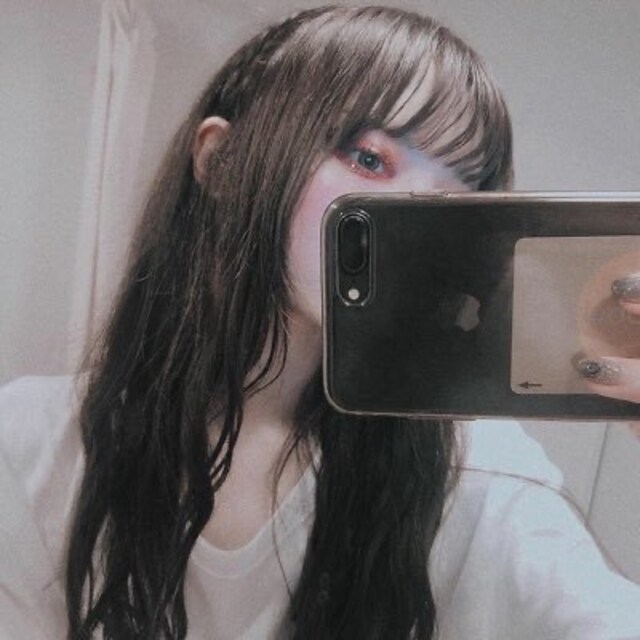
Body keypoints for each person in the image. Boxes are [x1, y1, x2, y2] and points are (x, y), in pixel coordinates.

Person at [0, 6, 639, 640]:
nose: (413, 221)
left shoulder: (478, 471)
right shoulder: (31, 445)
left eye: (454, 201)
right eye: (370, 160)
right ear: (221, 160)